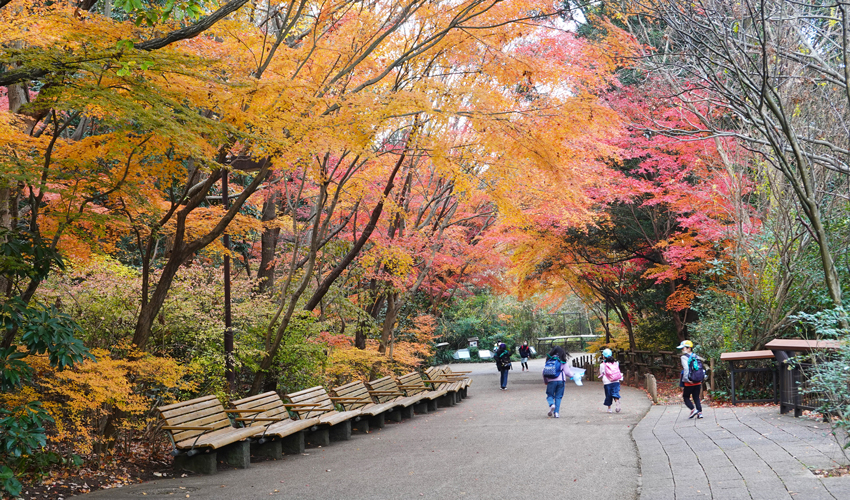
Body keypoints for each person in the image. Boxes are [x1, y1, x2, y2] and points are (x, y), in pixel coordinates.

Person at [543, 346, 574, 418]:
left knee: (550, 395)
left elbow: (544, 371)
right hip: (561, 381)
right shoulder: (562, 361)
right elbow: (567, 372)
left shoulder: (549, 360)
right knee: (558, 397)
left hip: (551, 381)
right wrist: (573, 375)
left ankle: (551, 404)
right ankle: (556, 413)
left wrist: (546, 381)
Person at [677, 340, 703, 419]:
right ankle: (700, 413)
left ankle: (693, 409)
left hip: (690, 381)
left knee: (686, 396)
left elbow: (686, 369)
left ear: (689, 348)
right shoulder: (696, 356)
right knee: (696, 397)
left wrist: (686, 379)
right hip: (698, 381)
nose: (682, 350)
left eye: (683, 348)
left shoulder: (684, 357)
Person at [598, 348, 621, 413]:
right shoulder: (616, 363)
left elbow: (602, 373)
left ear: (603, 356)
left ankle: (609, 409)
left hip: (607, 382)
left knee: (608, 395)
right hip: (616, 381)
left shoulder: (602, 365)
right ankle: (617, 401)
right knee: (615, 393)